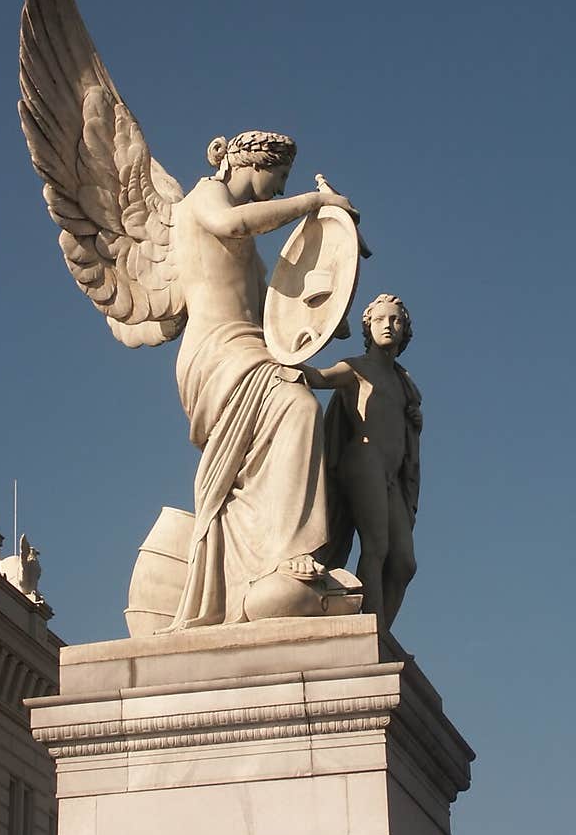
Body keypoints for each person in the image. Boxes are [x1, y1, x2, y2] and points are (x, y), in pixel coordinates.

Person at [168, 130, 357, 628]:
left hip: (251, 345)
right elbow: (231, 224)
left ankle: (268, 561)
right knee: (296, 408)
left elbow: (275, 311)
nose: (279, 189)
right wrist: (313, 201)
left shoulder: (251, 251)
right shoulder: (206, 198)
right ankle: (290, 552)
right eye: (281, 177)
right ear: (254, 163)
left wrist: (323, 311)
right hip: (217, 352)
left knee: (267, 454)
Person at [303, 294, 422, 633]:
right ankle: (374, 629)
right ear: (368, 326)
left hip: (392, 474)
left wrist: (416, 422)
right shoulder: (356, 368)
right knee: (377, 547)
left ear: (405, 330)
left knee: (404, 563)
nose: (389, 325)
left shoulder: (406, 384)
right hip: (363, 459)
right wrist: (287, 352)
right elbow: (319, 378)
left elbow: (407, 431)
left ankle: (380, 629)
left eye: (396, 320)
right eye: (381, 319)